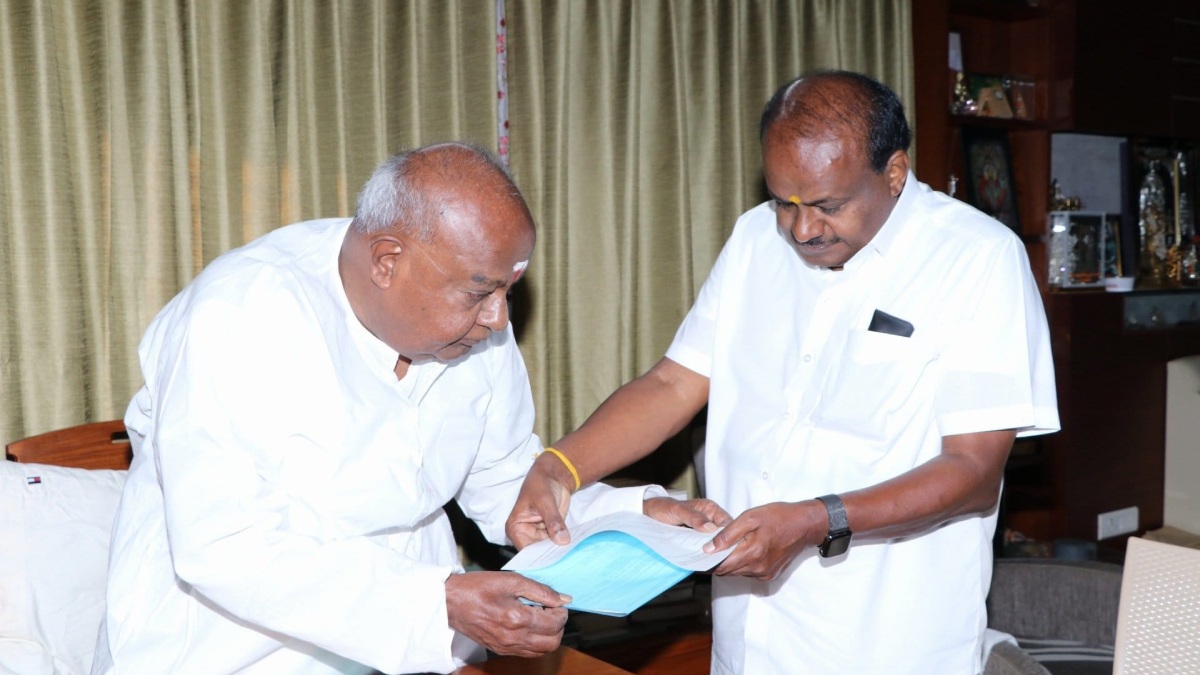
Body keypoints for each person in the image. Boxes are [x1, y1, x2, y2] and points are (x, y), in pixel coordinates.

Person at [506, 71, 1060, 674]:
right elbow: (673, 384)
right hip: (749, 635)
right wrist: (558, 467)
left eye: (828, 206)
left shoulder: (977, 257)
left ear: (895, 173)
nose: (803, 229)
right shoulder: (754, 238)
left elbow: (973, 472)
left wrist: (816, 521)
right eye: (783, 202)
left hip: (886, 642)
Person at [93, 143, 686, 675]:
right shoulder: (240, 316)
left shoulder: (474, 327)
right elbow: (226, 546)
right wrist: (437, 602)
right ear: (386, 261)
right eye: (480, 292)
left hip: (411, 651)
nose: (499, 319)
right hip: (231, 650)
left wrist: (630, 518)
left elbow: (504, 480)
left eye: (508, 290)